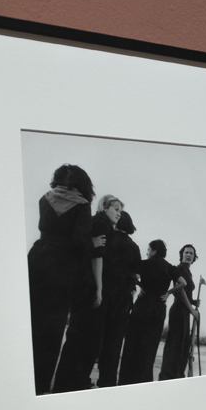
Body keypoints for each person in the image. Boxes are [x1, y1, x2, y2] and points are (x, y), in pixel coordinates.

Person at [26, 164, 96, 394]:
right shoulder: (82, 205)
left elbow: (45, 230)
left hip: (37, 260)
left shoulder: (44, 199)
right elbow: (80, 243)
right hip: (62, 269)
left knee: (32, 325)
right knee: (52, 330)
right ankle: (42, 386)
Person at [51, 195, 124, 392]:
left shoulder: (99, 224)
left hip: (86, 288)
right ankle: (71, 383)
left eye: (120, 210)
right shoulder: (102, 224)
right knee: (86, 339)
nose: (119, 213)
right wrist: (99, 288)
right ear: (104, 207)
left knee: (81, 338)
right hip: (92, 289)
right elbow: (97, 257)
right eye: (115, 208)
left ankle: (69, 382)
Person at [118, 240, 186, 385]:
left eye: (149, 249)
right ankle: (143, 381)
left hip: (142, 306)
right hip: (158, 309)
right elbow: (183, 283)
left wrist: (140, 285)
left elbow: (128, 271)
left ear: (154, 250)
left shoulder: (145, 264)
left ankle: (126, 380)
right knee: (149, 348)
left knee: (132, 344)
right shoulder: (169, 267)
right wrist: (168, 292)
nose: (147, 252)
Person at [95, 207, 142, 388]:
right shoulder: (134, 247)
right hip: (122, 300)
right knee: (114, 342)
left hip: (104, 295)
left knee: (97, 336)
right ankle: (107, 381)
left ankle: (83, 377)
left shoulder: (109, 240)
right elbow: (136, 275)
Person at [158, 244, 204, 381]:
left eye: (191, 253)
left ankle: (178, 376)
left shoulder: (188, 271)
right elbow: (179, 291)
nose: (189, 255)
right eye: (186, 252)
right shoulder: (179, 269)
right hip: (178, 311)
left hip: (185, 312)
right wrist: (192, 309)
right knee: (175, 346)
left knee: (183, 347)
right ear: (181, 254)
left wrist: (193, 302)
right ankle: (167, 377)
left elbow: (187, 295)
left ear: (194, 257)